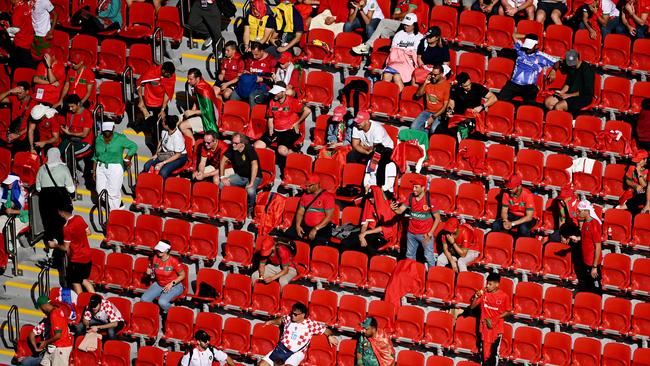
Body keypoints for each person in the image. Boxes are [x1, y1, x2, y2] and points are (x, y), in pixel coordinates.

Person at [254, 81, 311, 170]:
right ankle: (271, 157)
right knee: (257, 146)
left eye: (277, 92)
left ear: (283, 92)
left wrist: (298, 123)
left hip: (289, 131)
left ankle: (296, 155)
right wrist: (270, 130)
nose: (274, 94)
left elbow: (307, 110)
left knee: (282, 150)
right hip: (275, 130)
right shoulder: (272, 102)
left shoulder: (292, 101)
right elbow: (270, 118)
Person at [259, 302, 338, 366]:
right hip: (281, 349)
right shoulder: (288, 318)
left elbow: (326, 330)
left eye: (295, 314)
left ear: (303, 315)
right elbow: (280, 320)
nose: (293, 315)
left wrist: (330, 336)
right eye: (292, 313)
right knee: (262, 364)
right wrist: (271, 322)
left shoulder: (310, 324)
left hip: (296, 353)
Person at [390, 174, 442, 268]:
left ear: (423, 187)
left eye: (416, 187)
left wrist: (430, 233)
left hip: (425, 234)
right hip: (411, 234)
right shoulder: (411, 197)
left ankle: (431, 277)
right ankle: (411, 274)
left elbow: (437, 218)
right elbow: (400, 210)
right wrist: (394, 209)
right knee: (410, 255)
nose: (414, 189)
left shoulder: (430, 200)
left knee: (429, 257)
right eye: (413, 187)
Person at [35, 148, 75, 268]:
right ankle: (63, 255)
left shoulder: (42, 169)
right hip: (60, 201)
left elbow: (38, 188)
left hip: (45, 201)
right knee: (62, 226)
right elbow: (71, 188)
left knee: (49, 226)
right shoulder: (63, 168)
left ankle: (50, 253)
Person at [47, 203, 94, 294]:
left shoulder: (67, 228)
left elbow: (65, 248)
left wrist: (55, 245)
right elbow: (88, 232)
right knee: (84, 280)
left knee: (76, 282)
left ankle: (81, 303)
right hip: (87, 255)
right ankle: (95, 298)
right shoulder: (79, 218)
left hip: (77, 258)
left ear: (61, 213)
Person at [498, 34, 559, 105]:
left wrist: (554, 70)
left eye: (529, 47)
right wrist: (527, 37)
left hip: (529, 87)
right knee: (499, 100)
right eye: (526, 46)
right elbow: (514, 35)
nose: (527, 49)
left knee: (529, 104)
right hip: (514, 83)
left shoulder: (541, 56)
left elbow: (557, 61)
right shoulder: (520, 49)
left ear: (536, 46)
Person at [341, 186, 399, 256]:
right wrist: (362, 236)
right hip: (371, 232)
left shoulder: (389, 206)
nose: (370, 199)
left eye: (372, 197)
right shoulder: (370, 204)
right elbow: (365, 224)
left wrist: (365, 234)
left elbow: (385, 228)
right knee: (346, 242)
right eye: (369, 197)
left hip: (385, 236)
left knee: (370, 249)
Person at [469, 273, 512, 366]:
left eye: (490, 284)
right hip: (483, 328)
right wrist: (476, 297)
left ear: (497, 284)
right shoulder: (484, 293)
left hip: (496, 330)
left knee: (493, 355)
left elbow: (509, 311)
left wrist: (497, 317)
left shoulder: (504, 296)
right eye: (487, 284)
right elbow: (472, 307)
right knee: (483, 354)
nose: (487, 286)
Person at [92, 122, 137, 211]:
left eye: (109, 130)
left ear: (113, 128)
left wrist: (127, 158)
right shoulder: (98, 139)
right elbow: (95, 156)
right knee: (100, 192)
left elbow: (133, 146)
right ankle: (119, 204)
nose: (107, 132)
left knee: (113, 194)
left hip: (115, 167)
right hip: (100, 167)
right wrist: (94, 171)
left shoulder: (120, 138)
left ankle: (114, 216)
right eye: (105, 130)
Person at [135, 61, 176, 154]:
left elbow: (168, 92)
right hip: (150, 102)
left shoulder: (171, 76)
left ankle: (164, 146)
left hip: (161, 103)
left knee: (163, 125)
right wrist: (141, 100)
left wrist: (163, 109)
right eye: (168, 74)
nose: (170, 76)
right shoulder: (152, 72)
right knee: (154, 128)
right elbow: (139, 84)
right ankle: (155, 150)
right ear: (163, 70)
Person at [283, 174, 335, 246]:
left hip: (321, 227)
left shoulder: (327, 197)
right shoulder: (305, 195)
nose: (306, 188)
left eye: (309, 186)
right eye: (306, 186)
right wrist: (298, 226)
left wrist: (315, 229)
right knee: (287, 236)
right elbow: (300, 212)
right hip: (305, 226)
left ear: (317, 185)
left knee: (319, 242)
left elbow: (328, 217)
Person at [218, 133, 262, 217]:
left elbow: (255, 165)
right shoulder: (232, 148)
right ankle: (232, 204)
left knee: (250, 191)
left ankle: (250, 209)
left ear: (242, 144)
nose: (233, 144)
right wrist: (222, 177)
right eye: (232, 142)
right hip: (240, 176)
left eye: (236, 143)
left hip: (254, 177)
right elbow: (223, 160)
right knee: (221, 184)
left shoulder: (249, 149)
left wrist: (251, 182)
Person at [351, 0, 418, 55]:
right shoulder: (400, 1)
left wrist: (399, 16)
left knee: (384, 22)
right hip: (400, 25)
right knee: (384, 31)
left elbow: (408, 14)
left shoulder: (414, 0)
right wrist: (400, 16)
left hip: (411, 25)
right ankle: (383, 53)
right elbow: (394, 16)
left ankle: (367, 45)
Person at [544, 49, 595, 115]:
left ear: (578, 58)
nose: (571, 65)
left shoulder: (587, 70)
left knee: (559, 106)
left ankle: (563, 122)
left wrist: (568, 95)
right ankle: (567, 117)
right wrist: (562, 92)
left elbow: (586, 90)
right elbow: (568, 83)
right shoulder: (571, 67)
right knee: (548, 102)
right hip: (570, 94)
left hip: (583, 96)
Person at [141, 240, 186, 313]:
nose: (158, 251)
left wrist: (171, 284)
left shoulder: (174, 261)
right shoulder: (155, 258)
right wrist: (148, 273)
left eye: (160, 250)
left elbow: (183, 275)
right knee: (144, 299)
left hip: (174, 285)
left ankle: (173, 313)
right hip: (159, 284)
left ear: (167, 250)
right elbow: (153, 271)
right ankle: (154, 313)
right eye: (158, 249)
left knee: (162, 302)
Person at [382, 13, 422, 91]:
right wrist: (405, 52)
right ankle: (384, 97)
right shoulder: (399, 34)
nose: (405, 26)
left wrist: (401, 51)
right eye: (405, 24)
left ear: (414, 25)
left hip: (408, 63)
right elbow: (393, 50)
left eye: (408, 25)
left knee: (397, 77)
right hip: (395, 61)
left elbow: (415, 54)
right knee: (386, 76)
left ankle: (399, 99)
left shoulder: (419, 37)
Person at [179, 68, 220, 140]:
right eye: (188, 79)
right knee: (177, 119)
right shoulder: (198, 85)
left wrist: (192, 113)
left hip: (210, 118)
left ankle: (192, 145)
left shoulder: (204, 90)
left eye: (191, 79)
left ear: (197, 78)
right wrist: (191, 112)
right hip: (201, 114)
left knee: (182, 126)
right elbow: (197, 101)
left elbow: (208, 111)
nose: (188, 81)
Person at [32, 296, 72, 366]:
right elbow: (31, 334)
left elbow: (58, 335)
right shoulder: (57, 311)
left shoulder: (55, 314)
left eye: (41, 308)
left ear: (43, 306)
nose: (42, 310)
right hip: (53, 346)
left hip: (61, 347)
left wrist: (45, 342)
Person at [232, 42, 276, 106]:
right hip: (249, 84)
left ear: (262, 51)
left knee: (253, 97)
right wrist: (245, 72)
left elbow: (273, 78)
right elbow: (247, 70)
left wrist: (262, 79)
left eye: (256, 54)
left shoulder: (271, 60)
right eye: (253, 54)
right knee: (234, 95)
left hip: (263, 87)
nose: (254, 57)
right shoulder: (250, 59)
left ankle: (254, 115)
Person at [411, 64, 450, 134]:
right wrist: (425, 83)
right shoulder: (429, 82)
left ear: (441, 74)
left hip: (438, 114)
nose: (433, 76)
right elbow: (418, 95)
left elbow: (445, 107)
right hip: (427, 111)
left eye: (435, 75)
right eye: (432, 74)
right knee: (413, 127)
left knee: (433, 129)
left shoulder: (446, 86)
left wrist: (433, 117)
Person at [576, 200, 603, 293]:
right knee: (589, 284)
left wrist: (594, 267)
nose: (578, 213)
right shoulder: (585, 223)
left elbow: (598, 247)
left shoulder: (594, 225)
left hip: (592, 263)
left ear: (586, 211)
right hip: (586, 260)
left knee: (596, 287)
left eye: (579, 211)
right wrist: (578, 238)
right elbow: (586, 237)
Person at [59, 94, 93, 160]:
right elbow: (68, 128)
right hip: (71, 139)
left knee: (68, 153)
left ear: (78, 103)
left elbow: (84, 134)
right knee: (57, 152)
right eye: (69, 107)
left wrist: (69, 133)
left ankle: (70, 170)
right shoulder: (69, 113)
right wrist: (64, 130)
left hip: (85, 142)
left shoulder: (86, 114)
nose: (70, 109)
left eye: (72, 106)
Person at [620, 150, 649, 216]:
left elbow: (644, 185)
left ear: (645, 160)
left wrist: (639, 172)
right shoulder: (632, 167)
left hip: (645, 196)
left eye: (638, 161)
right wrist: (635, 185)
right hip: (634, 193)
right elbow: (628, 180)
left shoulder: (648, 170)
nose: (637, 163)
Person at [9, 0, 35, 69]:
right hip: (30, 39)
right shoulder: (26, 4)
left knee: (27, 66)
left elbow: (15, 30)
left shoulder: (17, 12)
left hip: (21, 44)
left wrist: (7, 29)